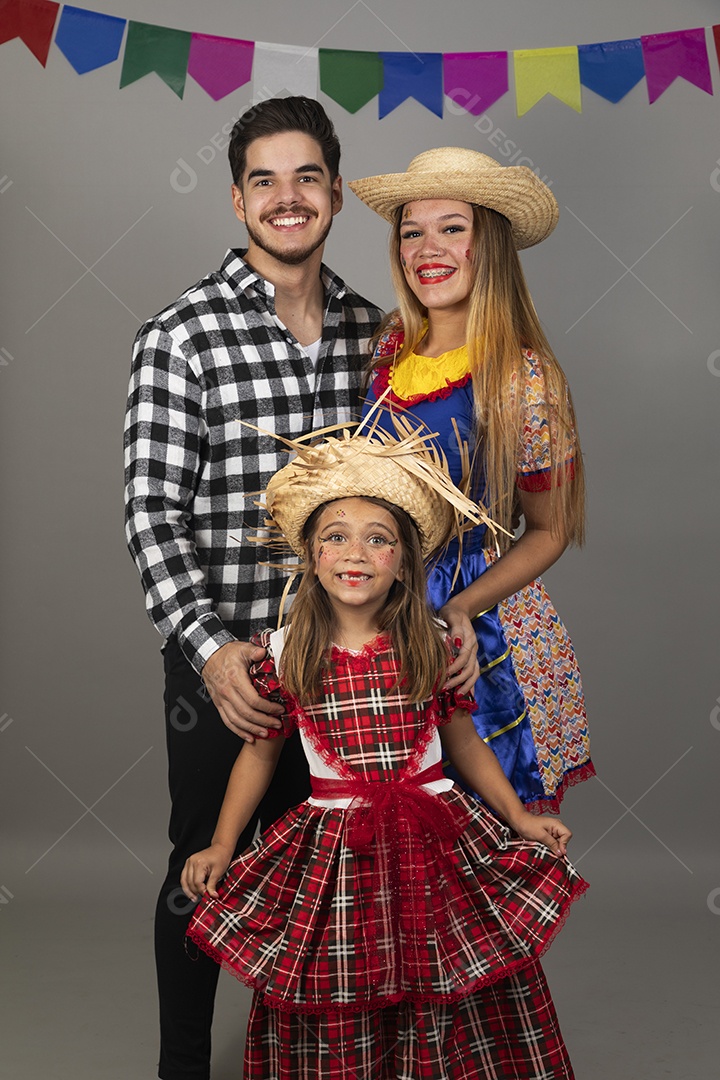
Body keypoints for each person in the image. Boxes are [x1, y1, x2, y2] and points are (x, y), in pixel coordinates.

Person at [181, 416, 588, 1080]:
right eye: (335, 538)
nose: (356, 554)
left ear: (403, 561)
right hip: (338, 849)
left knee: (445, 972)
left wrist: (519, 817)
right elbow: (256, 756)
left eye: (378, 540)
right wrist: (224, 845)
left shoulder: (430, 640)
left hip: (436, 840)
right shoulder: (285, 655)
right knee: (344, 978)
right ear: (312, 555)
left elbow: (465, 739)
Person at [123, 97, 385, 1080]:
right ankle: (182, 1067)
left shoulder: (373, 334)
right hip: (226, 663)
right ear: (236, 199)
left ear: (335, 194)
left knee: (328, 875)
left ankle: (306, 1059)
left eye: (307, 176)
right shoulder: (182, 334)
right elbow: (153, 513)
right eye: (266, 180)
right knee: (208, 863)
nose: (288, 197)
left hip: (345, 662)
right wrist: (208, 649)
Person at [348, 147, 593, 812]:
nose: (429, 248)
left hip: (478, 628)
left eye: (453, 228)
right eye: (411, 231)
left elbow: (550, 528)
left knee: (485, 843)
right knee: (390, 841)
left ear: (490, 243)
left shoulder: (523, 377)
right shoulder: (388, 345)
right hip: (378, 614)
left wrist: (461, 607)